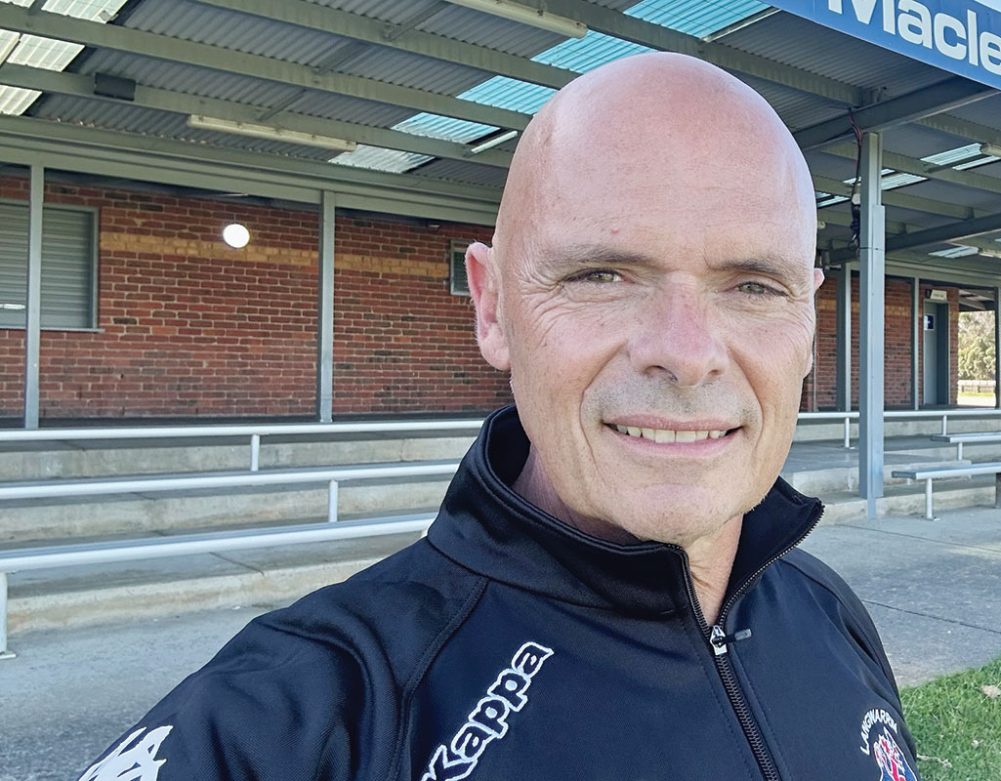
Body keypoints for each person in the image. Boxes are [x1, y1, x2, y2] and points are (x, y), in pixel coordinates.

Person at [79, 52, 918, 781]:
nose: (686, 351)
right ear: (492, 309)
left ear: (808, 324)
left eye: (753, 285)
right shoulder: (305, 716)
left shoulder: (828, 610)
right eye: (602, 275)